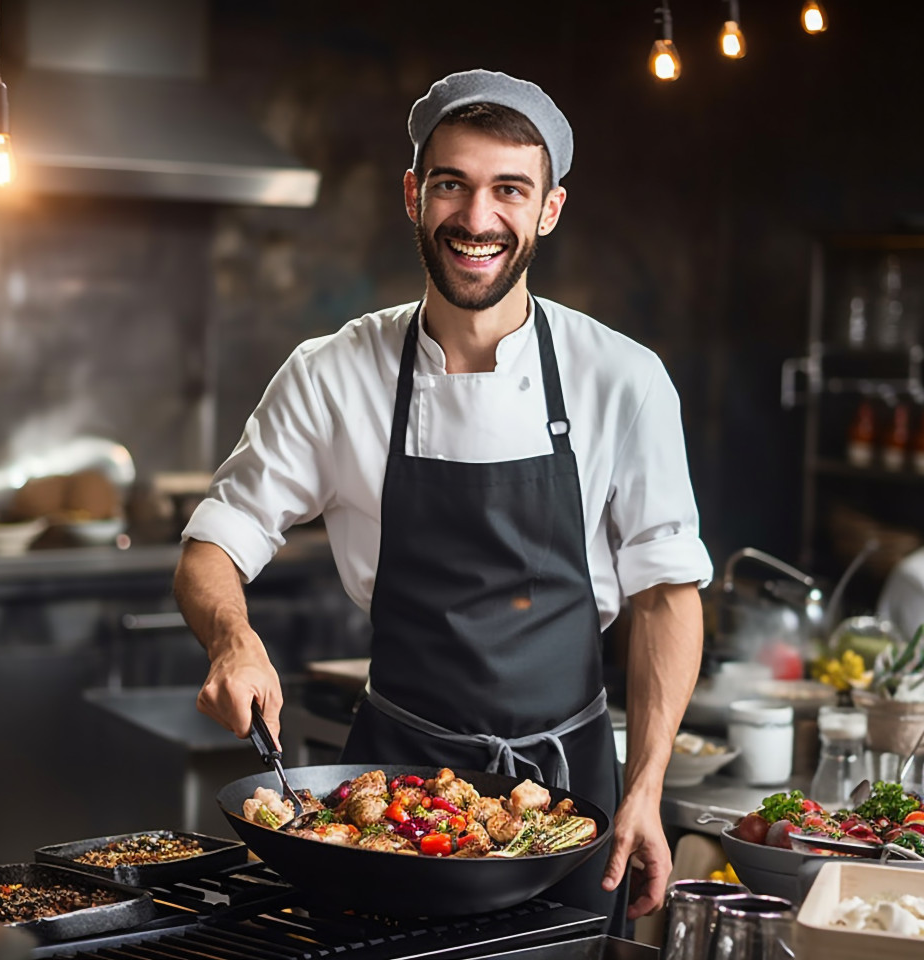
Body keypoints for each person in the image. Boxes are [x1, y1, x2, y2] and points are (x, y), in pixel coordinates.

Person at [174, 68, 713, 932]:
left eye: (509, 189)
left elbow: (665, 593)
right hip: (389, 795)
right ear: (413, 195)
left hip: (569, 802)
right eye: (451, 184)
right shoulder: (332, 372)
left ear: (549, 210)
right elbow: (215, 543)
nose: (476, 217)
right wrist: (233, 642)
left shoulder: (624, 379)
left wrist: (645, 786)